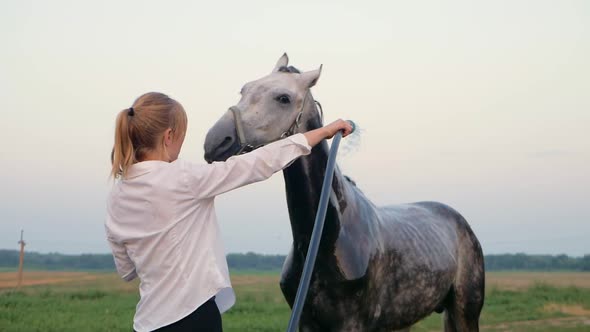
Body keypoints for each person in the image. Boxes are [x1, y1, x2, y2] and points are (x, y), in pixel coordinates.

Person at [105, 92, 353, 332]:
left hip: (147, 323)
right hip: (193, 319)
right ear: (169, 136)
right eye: (182, 136)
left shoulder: (117, 196)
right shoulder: (183, 179)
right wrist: (322, 132)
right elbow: (256, 164)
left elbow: (127, 271)